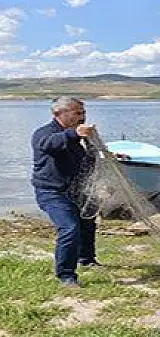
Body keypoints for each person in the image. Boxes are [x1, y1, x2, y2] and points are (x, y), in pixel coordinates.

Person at [31, 97, 100, 288]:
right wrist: (75, 133)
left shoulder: (78, 136)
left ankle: (86, 259)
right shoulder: (44, 133)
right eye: (76, 113)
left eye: (83, 113)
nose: (82, 116)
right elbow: (50, 144)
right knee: (69, 228)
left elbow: (85, 159)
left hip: (76, 190)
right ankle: (66, 275)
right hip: (52, 192)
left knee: (87, 221)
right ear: (58, 114)